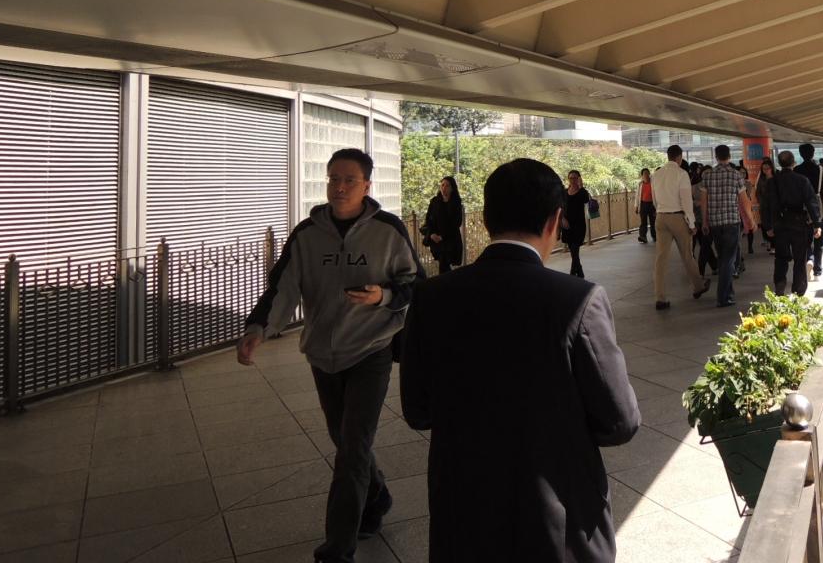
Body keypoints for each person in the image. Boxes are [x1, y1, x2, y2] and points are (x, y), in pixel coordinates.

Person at [400, 158, 640, 563]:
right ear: (555, 221)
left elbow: (418, 410)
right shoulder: (579, 300)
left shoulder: (431, 297)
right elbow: (620, 421)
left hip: (463, 516)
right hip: (557, 524)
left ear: (486, 218)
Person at [238, 148, 419, 563]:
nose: (339, 187)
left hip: (371, 349)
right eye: (333, 179)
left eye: (349, 180)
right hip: (322, 354)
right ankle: (378, 497)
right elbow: (282, 286)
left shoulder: (388, 230)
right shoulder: (307, 233)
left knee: (352, 448)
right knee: (344, 440)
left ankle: (336, 550)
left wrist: (382, 295)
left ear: (367, 186)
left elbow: (415, 283)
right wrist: (258, 329)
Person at [650, 144, 710, 310]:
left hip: (661, 217)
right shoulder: (681, 174)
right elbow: (686, 201)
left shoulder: (656, 174)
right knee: (687, 255)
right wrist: (691, 223)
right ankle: (698, 287)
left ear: (668, 156)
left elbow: (654, 200)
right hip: (677, 217)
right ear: (679, 157)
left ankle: (660, 298)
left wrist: (660, 210)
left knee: (661, 259)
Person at [760, 150, 822, 296]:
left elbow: (765, 206)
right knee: (800, 258)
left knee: (781, 257)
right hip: (798, 222)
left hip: (779, 224)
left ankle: (780, 286)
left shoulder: (772, 182)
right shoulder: (802, 180)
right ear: (793, 163)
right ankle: (798, 289)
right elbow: (811, 203)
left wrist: (767, 226)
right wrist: (817, 224)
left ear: (779, 164)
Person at [699, 145, 753, 308]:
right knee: (728, 261)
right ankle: (723, 297)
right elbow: (744, 201)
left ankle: (728, 294)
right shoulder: (736, 175)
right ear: (729, 156)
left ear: (716, 157)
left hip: (715, 223)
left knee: (723, 258)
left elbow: (703, 202)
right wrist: (751, 220)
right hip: (731, 222)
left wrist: (704, 221)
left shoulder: (707, 175)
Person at [793, 144, 823, 282]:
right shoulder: (820, 169)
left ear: (800, 154)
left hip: (802, 207)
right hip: (817, 204)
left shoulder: (796, 170)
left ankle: (809, 259)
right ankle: (817, 270)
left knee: (805, 239)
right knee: (819, 239)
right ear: (813, 153)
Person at [421, 176, 464, 274]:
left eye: (447, 186)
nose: (444, 188)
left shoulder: (456, 202)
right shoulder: (435, 201)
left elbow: (457, 222)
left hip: (450, 239)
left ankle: (446, 282)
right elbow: (428, 220)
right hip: (436, 239)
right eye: (442, 185)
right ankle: (448, 282)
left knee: (444, 264)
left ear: (452, 188)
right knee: (444, 264)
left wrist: (442, 236)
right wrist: (432, 234)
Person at [561, 169, 591, 278]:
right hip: (567, 225)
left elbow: (586, 200)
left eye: (575, 178)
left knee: (574, 249)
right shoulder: (564, 192)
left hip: (578, 225)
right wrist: (562, 219)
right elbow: (560, 207)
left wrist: (581, 186)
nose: (572, 180)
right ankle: (579, 272)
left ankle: (573, 273)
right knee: (573, 251)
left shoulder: (582, 192)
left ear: (579, 179)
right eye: (570, 178)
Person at [690, 164, 716, 281]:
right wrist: (697, 203)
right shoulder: (694, 187)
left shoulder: (717, 186)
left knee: (706, 246)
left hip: (715, 220)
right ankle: (711, 267)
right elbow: (688, 202)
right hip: (699, 220)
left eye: (710, 173)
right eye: (705, 174)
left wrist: (703, 202)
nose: (708, 176)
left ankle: (704, 270)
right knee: (705, 246)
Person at [755, 156, 776, 253]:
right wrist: (761, 202)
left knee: (774, 224)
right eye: (764, 169)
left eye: (767, 168)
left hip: (775, 206)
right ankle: (769, 242)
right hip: (764, 206)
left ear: (771, 168)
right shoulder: (761, 179)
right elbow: (758, 192)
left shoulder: (776, 178)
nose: (766, 170)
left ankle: (774, 245)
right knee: (766, 225)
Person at [636, 167, 656, 244]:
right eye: (644, 174)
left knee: (653, 221)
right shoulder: (640, 184)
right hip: (643, 204)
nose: (646, 175)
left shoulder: (653, 183)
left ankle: (655, 236)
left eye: (647, 173)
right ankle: (643, 237)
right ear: (642, 175)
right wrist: (636, 206)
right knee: (643, 222)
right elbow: (637, 196)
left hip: (652, 204)